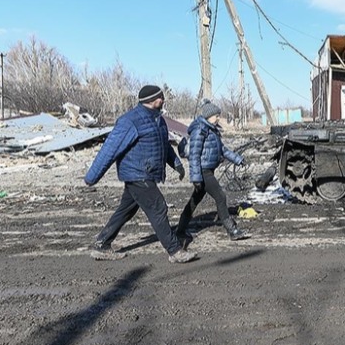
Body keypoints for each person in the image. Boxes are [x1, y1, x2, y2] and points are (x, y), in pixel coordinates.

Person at [85, 85, 197, 264]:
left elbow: (164, 144)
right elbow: (110, 149)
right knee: (158, 207)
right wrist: (92, 177)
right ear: (154, 100)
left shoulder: (157, 119)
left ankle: (101, 244)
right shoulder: (130, 121)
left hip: (146, 173)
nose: (164, 100)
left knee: (126, 210)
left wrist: (176, 164)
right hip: (137, 173)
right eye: (161, 97)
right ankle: (175, 250)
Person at [175, 99, 251, 248]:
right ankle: (232, 230)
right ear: (208, 116)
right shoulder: (200, 130)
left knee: (194, 201)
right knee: (220, 197)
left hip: (207, 170)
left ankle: (180, 230)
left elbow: (222, 150)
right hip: (203, 172)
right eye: (216, 115)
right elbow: (195, 155)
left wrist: (238, 159)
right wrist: (196, 178)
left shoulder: (212, 130)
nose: (218, 118)